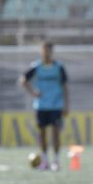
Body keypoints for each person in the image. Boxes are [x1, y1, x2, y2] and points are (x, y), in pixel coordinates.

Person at [19, 41, 69, 171]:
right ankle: (45, 161)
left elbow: (65, 87)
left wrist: (66, 105)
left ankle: (56, 160)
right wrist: (33, 92)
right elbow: (23, 79)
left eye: (48, 50)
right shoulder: (36, 66)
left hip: (56, 105)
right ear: (41, 51)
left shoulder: (59, 67)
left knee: (56, 133)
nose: (46, 53)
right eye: (44, 50)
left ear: (52, 51)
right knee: (42, 134)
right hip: (41, 105)